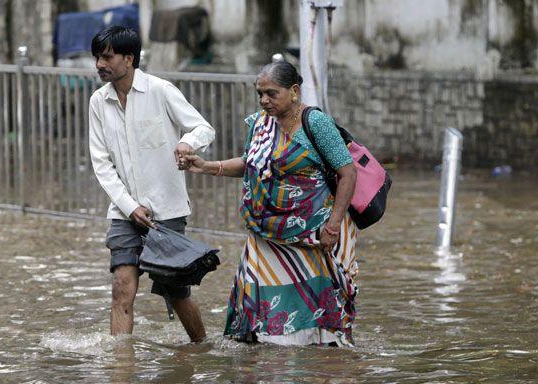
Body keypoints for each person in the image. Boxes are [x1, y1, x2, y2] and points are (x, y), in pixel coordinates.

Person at [184, 61, 359, 346]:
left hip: (316, 236)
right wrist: (206, 166)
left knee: (318, 306)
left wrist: (334, 224)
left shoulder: (315, 123)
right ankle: (269, 365)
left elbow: (348, 172)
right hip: (266, 235)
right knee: (257, 299)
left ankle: (316, 363)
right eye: (260, 93)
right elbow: (248, 163)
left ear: (294, 91)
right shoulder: (260, 123)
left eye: (271, 93)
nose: (264, 100)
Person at [88, 26, 214, 342]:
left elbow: (203, 128)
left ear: (129, 58)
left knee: (176, 292)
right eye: (97, 58)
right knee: (121, 288)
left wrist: (187, 143)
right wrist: (130, 207)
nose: (100, 64)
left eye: (107, 57)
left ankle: (201, 347)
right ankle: (121, 371)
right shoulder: (98, 102)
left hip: (167, 210)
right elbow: (102, 164)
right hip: (124, 211)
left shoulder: (160, 91)